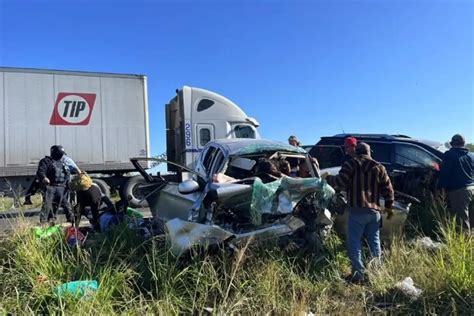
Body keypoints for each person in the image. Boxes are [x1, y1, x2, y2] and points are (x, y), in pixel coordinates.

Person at [324, 142, 394, 283]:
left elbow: (341, 182)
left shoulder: (351, 164)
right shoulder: (379, 167)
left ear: (356, 152)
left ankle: (358, 274)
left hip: (357, 211)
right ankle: (375, 273)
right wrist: (389, 207)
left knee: (354, 243)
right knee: (374, 243)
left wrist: (327, 178)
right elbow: (388, 189)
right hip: (374, 212)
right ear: (369, 152)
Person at [438, 134, 474, 233]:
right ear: (464, 143)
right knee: (471, 218)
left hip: (459, 192)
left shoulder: (449, 155)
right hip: (472, 188)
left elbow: (445, 173)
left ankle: (465, 244)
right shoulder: (471, 156)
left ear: (452, 144)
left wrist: (440, 188)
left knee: (462, 221)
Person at [36, 145, 77, 225]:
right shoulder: (46, 161)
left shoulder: (64, 162)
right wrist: (44, 178)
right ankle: (44, 222)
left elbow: (68, 174)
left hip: (62, 187)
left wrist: (68, 185)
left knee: (66, 205)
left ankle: (72, 221)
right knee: (47, 205)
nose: (62, 156)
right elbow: (40, 171)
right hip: (50, 187)